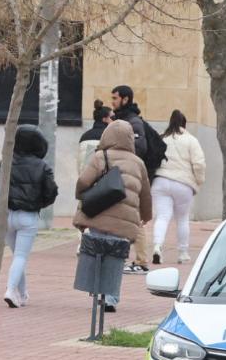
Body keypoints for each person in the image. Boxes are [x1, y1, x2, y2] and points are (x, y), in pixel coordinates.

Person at [74, 119, 152, 312]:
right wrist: (146, 215)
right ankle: (111, 298)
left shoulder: (101, 156)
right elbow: (145, 194)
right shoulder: (138, 163)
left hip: (98, 213)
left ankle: (97, 292)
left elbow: (84, 180)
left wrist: (81, 195)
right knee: (116, 257)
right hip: (124, 220)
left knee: (97, 252)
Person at [0, 126, 59, 308]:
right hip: (28, 216)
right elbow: (51, 191)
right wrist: (39, 204)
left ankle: (23, 294)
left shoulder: (6, 161)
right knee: (20, 256)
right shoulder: (42, 166)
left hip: (6, 215)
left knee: (17, 257)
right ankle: (11, 290)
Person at [150, 110, 206, 265]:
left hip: (160, 181)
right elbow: (199, 164)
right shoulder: (191, 140)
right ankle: (182, 253)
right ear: (184, 124)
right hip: (183, 184)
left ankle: (157, 246)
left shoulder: (162, 138)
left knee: (162, 217)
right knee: (182, 219)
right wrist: (199, 181)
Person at [110, 84, 165, 179]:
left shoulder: (133, 121)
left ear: (125, 99)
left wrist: (123, 164)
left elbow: (139, 148)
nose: (112, 102)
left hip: (130, 174)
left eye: (115, 98)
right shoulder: (123, 118)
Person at [79, 102, 111, 169]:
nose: (114, 120)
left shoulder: (84, 135)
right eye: (112, 117)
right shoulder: (108, 136)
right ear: (104, 119)